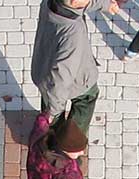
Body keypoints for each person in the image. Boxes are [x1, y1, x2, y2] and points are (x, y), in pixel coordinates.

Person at [32, 0, 100, 131]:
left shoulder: (50, 3)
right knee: (85, 100)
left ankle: (52, 137)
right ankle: (71, 142)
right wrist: (52, 112)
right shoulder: (73, 32)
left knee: (49, 98)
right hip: (79, 80)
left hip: (44, 71)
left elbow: (84, 4)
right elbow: (62, 77)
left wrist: (107, 5)